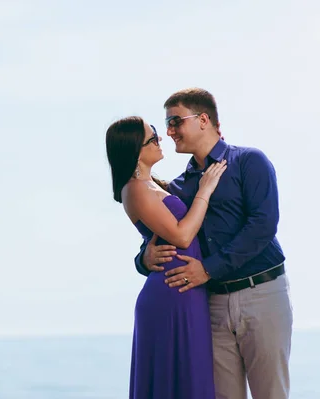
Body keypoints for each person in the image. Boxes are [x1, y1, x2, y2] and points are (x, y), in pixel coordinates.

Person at [134, 88, 293, 399]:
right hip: (212, 305)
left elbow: (262, 226)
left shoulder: (250, 161)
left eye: (175, 121)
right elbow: (160, 231)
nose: (169, 131)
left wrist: (208, 269)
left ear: (203, 119)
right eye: (167, 124)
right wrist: (144, 258)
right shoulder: (179, 188)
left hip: (261, 294)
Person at [105, 116, 227, 399]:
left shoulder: (154, 186)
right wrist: (205, 191)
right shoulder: (135, 189)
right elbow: (182, 236)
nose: (160, 140)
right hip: (173, 295)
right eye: (152, 138)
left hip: (185, 289)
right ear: (135, 150)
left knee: (191, 378)